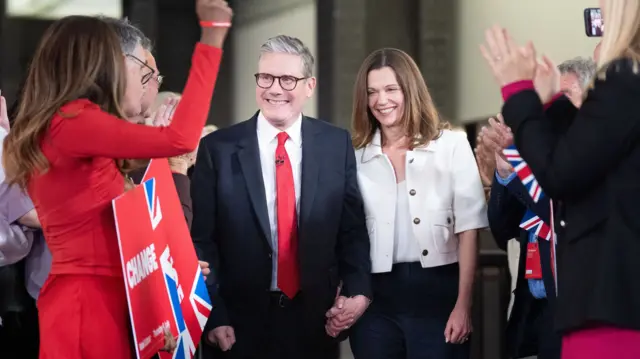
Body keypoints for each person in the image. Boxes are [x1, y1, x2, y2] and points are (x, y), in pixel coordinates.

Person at [1, 1, 232, 358]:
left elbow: (129, 227)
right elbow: (180, 140)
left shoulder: (68, 123)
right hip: (87, 304)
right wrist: (211, 38)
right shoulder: (75, 120)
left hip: (105, 298)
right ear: (95, 63)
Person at [191, 34, 372, 359]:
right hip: (237, 326)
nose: (275, 88)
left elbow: (352, 230)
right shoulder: (218, 149)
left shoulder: (336, 144)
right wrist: (213, 315)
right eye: (266, 77)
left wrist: (358, 292)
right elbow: (203, 241)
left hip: (316, 321)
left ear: (309, 85)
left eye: (288, 79)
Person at [479, 0, 640, 358]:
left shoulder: (625, 79)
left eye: (603, 9)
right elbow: (585, 159)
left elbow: (561, 176)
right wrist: (551, 102)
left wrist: (517, 91)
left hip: (613, 300)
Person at [331, 48, 487, 359]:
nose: (381, 100)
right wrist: (341, 295)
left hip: (439, 294)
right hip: (375, 299)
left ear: (410, 90)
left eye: (391, 89)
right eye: (372, 92)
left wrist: (463, 305)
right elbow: (345, 235)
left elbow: (469, 230)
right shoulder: (354, 156)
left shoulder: (452, 146)